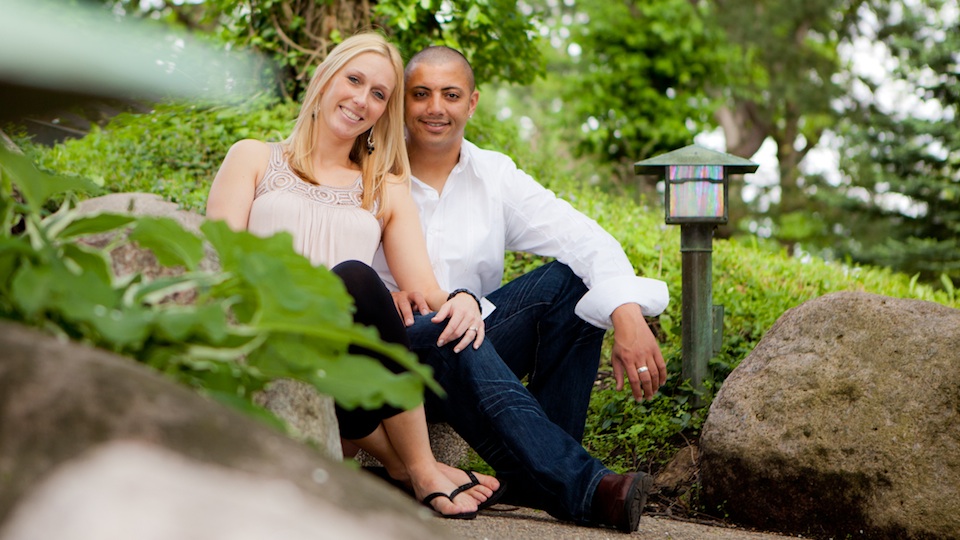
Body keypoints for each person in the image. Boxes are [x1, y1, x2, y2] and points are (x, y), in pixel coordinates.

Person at [371, 46, 670, 532]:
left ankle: (539, 469)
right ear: (403, 102)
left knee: (571, 283)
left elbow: (584, 237)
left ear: (472, 103)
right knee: (449, 327)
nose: (435, 108)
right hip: (401, 355)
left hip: (476, 346)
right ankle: (581, 486)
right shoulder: (372, 169)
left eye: (451, 95)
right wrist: (384, 297)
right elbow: (335, 261)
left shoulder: (494, 175)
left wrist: (627, 313)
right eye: (420, 94)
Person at [204, 33, 502, 520]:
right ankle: (413, 466)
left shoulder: (384, 187)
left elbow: (426, 290)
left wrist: (465, 297)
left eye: (380, 94)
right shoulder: (254, 157)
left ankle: (407, 468)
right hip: (262, 338)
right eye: (355, 80)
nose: (362, 99)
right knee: (355, 280)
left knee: (359, 281)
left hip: (345, 374)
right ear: (325, 78)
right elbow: (217, 263)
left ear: (384, 111)